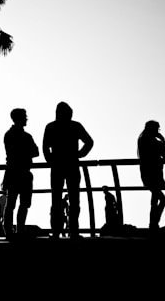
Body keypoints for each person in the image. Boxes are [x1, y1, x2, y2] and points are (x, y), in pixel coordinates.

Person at [42, 101, 93, 239]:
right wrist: (79, 154)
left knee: (56, 199)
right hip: (72, 165)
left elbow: (45, 147)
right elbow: (89, 142)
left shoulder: (51, 127)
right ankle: (73, 230)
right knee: (74, 199)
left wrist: (51, 160)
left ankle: (57, 231)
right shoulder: (75, 126)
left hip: (57, 166)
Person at [2, 108, 39, 240]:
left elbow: (32, 152)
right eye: (24, 116)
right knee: (22, 203)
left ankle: (9, 231)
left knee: (12, 203)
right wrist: (26, 153)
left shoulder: (9, 135)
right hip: (22, 172)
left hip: (12, 172)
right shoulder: (26, 137)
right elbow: (35, 152)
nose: (26, 118)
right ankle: (19, 230)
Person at [137, 120, 165, 231]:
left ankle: (153, 224)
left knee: (155, 200)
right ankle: (153, 224)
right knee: (161, 200)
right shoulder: (150, 140)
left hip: (149, 173)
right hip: (153, 174)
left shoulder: (143, 139)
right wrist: (163, 140)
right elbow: (164, 153)